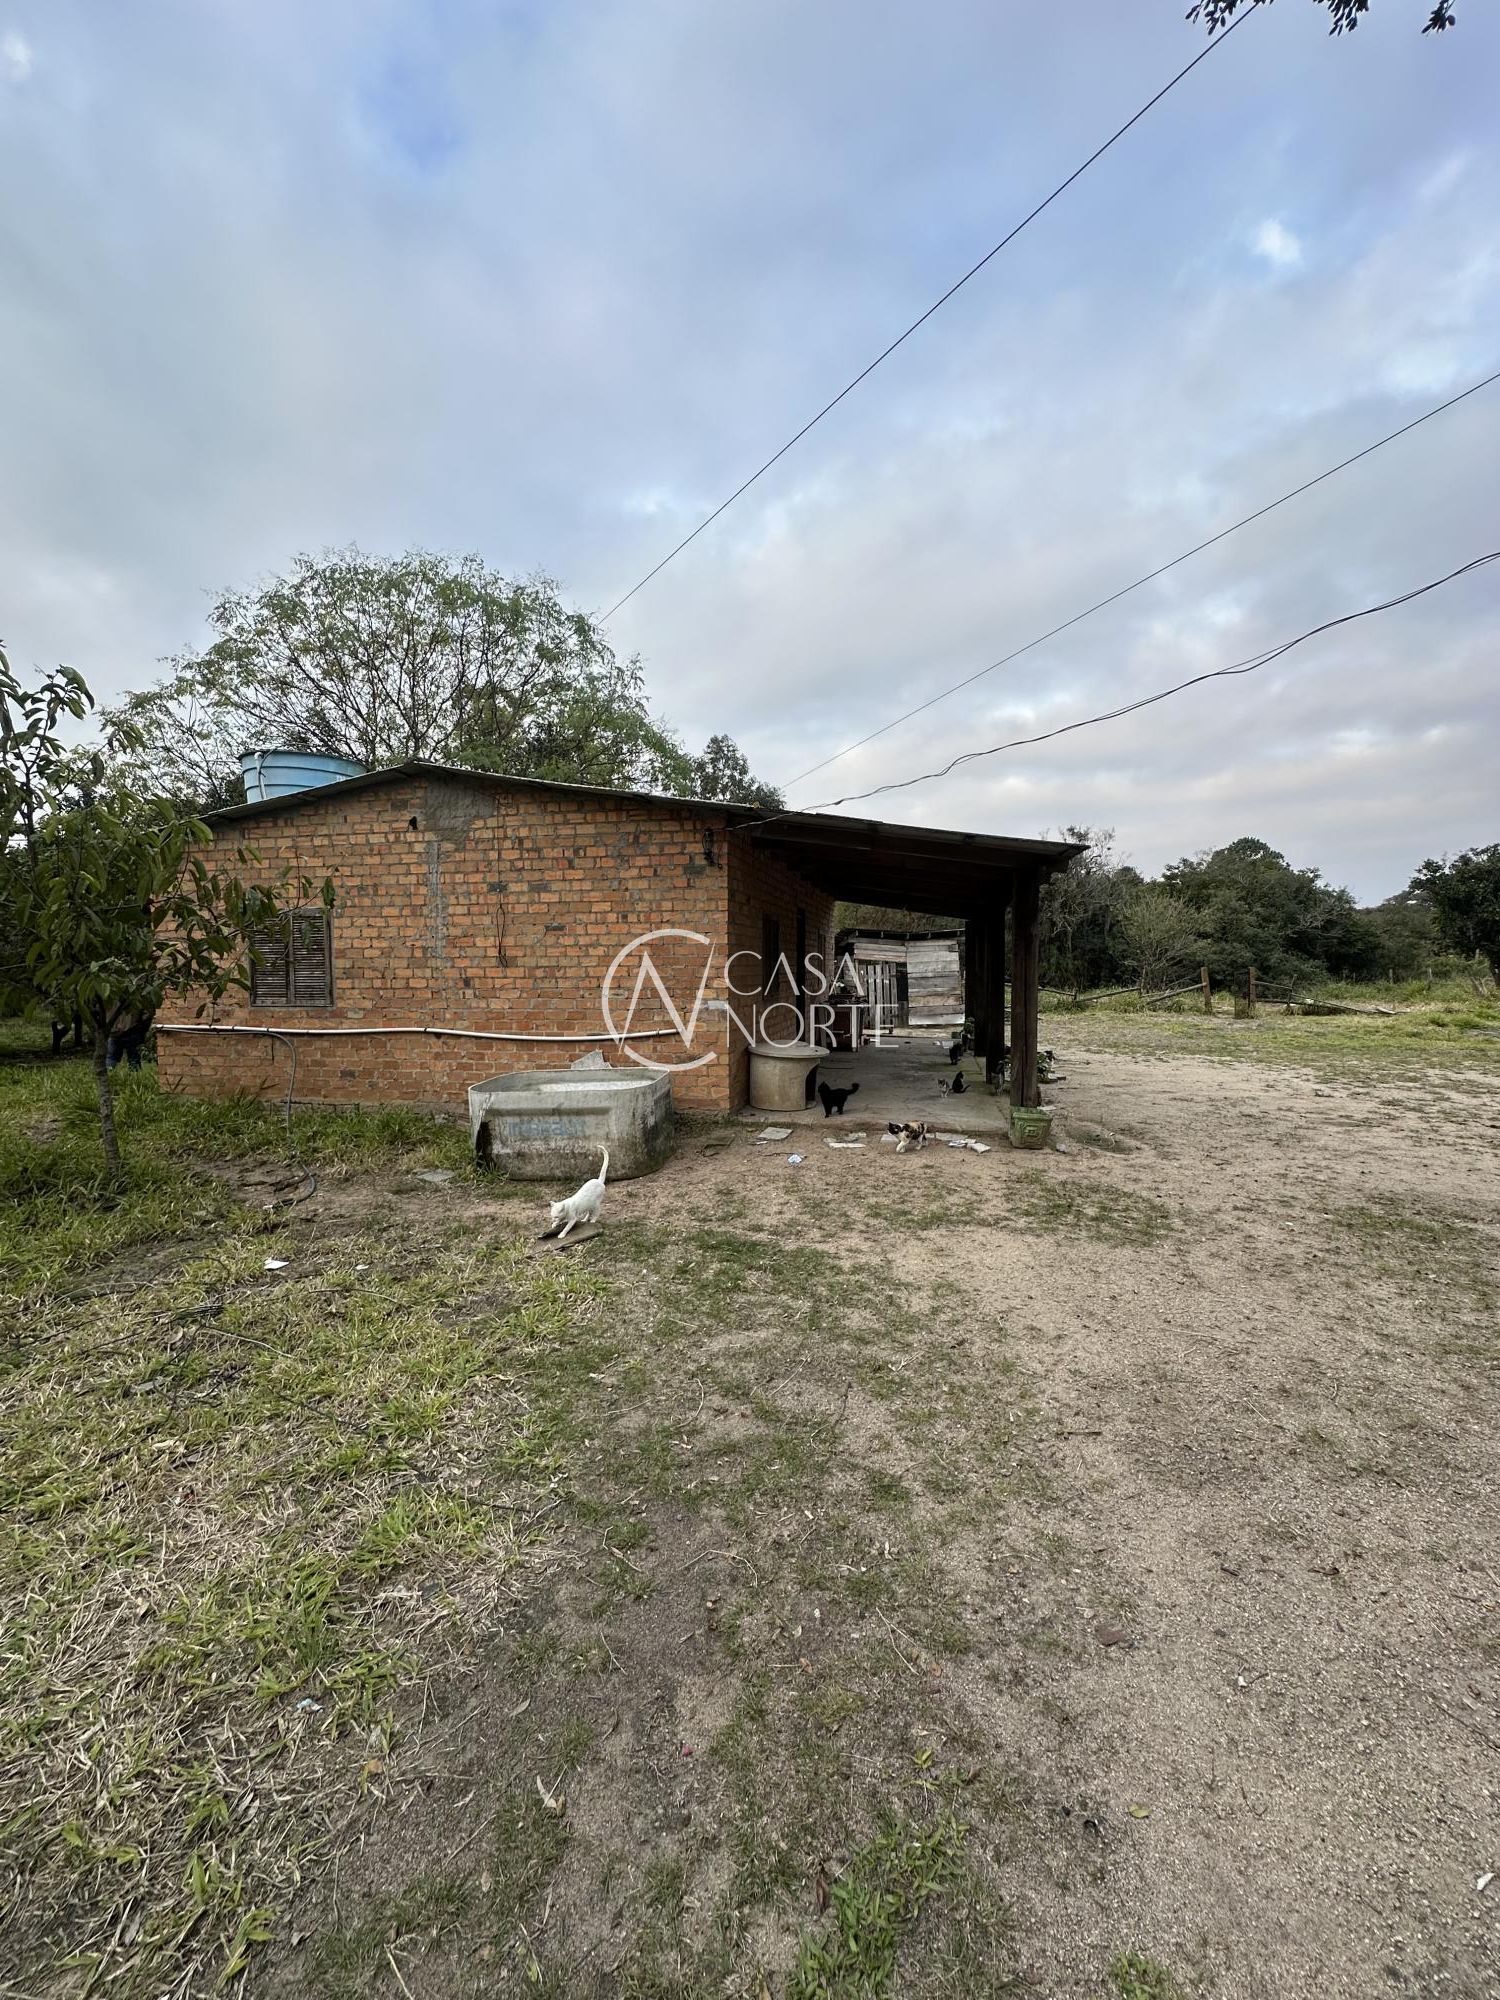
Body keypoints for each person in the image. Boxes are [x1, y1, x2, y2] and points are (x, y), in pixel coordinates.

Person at [106, 1008, 154, 1073]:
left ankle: (107, 1079)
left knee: (111, 1059)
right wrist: (142, 1029)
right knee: (134, 1061)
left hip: (114, 1031)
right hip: (133, 1030)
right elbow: (147, 1014)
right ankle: (136, 1080)